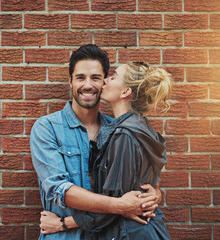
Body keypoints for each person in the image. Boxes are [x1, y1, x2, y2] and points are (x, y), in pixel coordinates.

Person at [30, 44, 162, 240]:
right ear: (70, 81)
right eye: (80, 77)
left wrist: (155, 195)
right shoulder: (47, 127)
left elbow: (145, 182)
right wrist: (121, 206)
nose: (88, 85)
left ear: (104, 82)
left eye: (96, 78)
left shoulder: (119, 130)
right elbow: (60, 191)